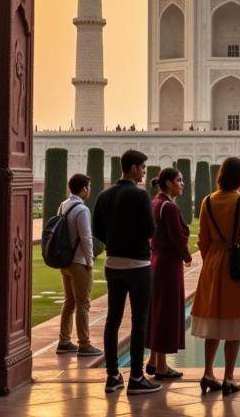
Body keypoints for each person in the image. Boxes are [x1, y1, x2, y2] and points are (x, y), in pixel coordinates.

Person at [191, 157, 240, 396]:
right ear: (239, 177)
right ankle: (229, 378)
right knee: (234, 323)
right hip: (235, 265)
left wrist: (212, 261)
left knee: (213, 319)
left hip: (213, 263)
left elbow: (203, 239)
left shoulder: (207, 201)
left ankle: (207, 372)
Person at [92, 149, 160, 396]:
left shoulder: (104, 195)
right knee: (139, 321)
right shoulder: (139, 195)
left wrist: (115, 241)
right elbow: (150, 230)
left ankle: (112, 377)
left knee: (113, 319)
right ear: (132, 167)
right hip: (138, 265)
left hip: (113, 263)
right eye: (142, 168)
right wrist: (133, 240)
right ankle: (137, 377)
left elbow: (97, 229)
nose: (143, 173)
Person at [145, 167, 192, 380]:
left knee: (158, 309)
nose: (182, 184)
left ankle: (153, 360)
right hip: (169, 264)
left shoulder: (155, 203)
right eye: (179, 180)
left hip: (157, 261)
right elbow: (177, 237)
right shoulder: (169, 207)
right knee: (165, 313)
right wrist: (187, 255)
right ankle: (162, 367)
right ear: (168, 183)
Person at [55, 173, 102, 357]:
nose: (89, 190)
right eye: (88, 187)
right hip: (79, 262)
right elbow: (86, 238)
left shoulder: (63, 205)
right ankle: (85, 344)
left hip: (65, 261)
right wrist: (90, 261)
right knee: (83, 303)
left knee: (70, 301)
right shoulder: (82, 209)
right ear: (83, 189)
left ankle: (64, 341)